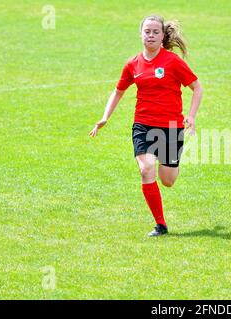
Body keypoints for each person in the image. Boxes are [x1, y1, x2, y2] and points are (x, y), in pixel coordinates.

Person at [89, 15, 203, 236]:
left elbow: (197, 87)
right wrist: (105, 117)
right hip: (143, 125)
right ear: (141, 34)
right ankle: (160, 225)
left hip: (171, 127)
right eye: (147, 31)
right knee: (146, 169)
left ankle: (170, 162)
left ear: (162, 37)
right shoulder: (133, 64)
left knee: (168, 180)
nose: (151, 35)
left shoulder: (173, 62)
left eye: (155, 32)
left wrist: (191, 115)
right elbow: (119, 91)